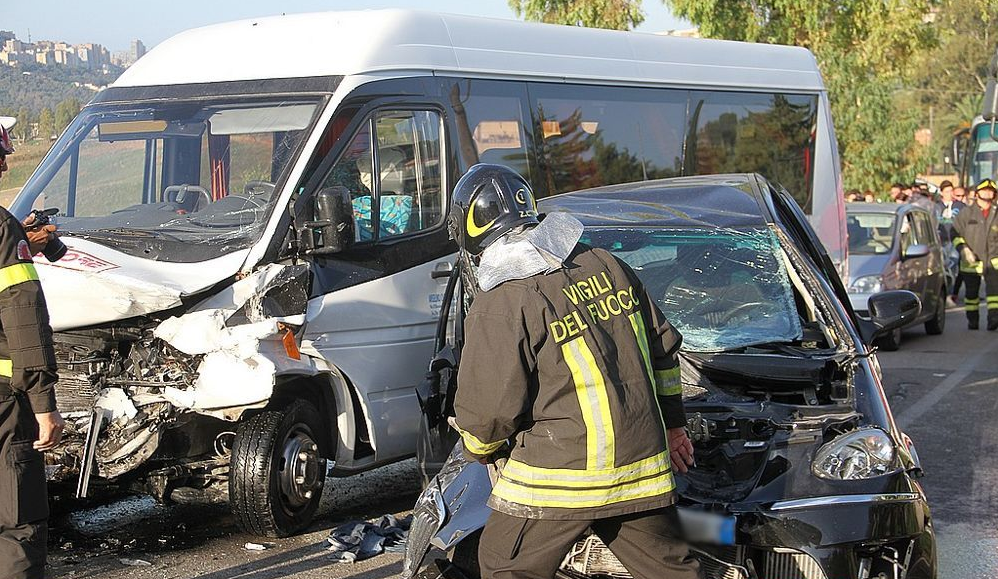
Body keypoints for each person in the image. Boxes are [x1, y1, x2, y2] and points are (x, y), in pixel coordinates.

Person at [448, 164, 700, 579]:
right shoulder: (606, 264)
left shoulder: (503, 299)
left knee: (502, 564)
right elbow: (664, 353)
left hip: (559, 478)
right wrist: (674, 426)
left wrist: (478, 450)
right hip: (641, 470)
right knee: (671, 571)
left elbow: (489, 412)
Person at [0, 117, 63, 579]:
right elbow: (23, 321)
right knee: (16, 518)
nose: (5, 165)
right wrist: (43, 402)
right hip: (5, 401)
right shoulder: (2, 231)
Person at [952, 179, 998, 330]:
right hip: (971, 262)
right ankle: (973, 321)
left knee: (994, 294)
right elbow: (955, 233)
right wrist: (963, 249)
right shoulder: (966, 213)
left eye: (991, 191)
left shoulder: (996, 212)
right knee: (971, 295)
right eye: (984, 190)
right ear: (977, 193)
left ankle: (994, 320)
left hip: (993, 262)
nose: (988, 193)